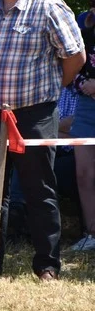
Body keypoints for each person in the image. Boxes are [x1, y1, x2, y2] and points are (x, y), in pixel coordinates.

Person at [0, 0, 84, 281]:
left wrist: (48, 91)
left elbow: (74, 58)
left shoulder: (49, 6)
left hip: (33, 114)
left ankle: (47, 265)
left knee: (38, 190)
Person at [69, 20, 95, 251]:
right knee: (84, 174)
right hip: (86, 105)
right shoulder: (82, 25)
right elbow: (69, 63)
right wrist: (86, 84)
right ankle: (91, 233)